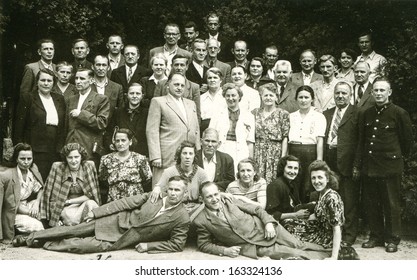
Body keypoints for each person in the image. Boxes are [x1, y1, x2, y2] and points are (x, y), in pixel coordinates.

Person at [13, 176, 190, 255]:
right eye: (171, 189)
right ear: (167, 188)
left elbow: (177, 244)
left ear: (185, 192)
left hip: (121, 239)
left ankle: (42, 242)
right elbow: (122, 203)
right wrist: (96, 212)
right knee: (72, 231)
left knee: (78, 246)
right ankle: (29, 237)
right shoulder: (153, 196)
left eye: (178, 190)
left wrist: (149, 246)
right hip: (112, 222)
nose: (173, 193)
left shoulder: (182, 217)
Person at [194, 181, 329, 259]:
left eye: (216, 194)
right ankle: (329, 261)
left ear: (220, 193)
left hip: (265, 228)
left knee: (298, 244)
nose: (215, 199)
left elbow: (257, 210)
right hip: (254, 246)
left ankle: (334, 252)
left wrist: (268, 223)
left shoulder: (229, 200)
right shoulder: (201, 220)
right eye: (209, 196)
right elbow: (203, 244)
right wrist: (224, 251)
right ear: (203, 199)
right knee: (296, 253)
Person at [354, 77, 413, 253]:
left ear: (389, 92)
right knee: (371, 203)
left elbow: (407, 142)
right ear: (371, 93)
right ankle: (376, 236)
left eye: (382, 90)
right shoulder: (367, 113)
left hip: (390, 166)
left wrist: (396, 158)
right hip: (371, 166)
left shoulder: (399, 113)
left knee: (391, 203)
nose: (379, 93)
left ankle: (392, 239)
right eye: (376, 90)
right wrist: (360, 164)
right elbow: (362, 141)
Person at [283, 160, 344, 260]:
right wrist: (297, 218)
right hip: (318, 229)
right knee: (288, 223)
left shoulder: (332, 198)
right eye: (313, 178)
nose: (316, 181)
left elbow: (337, 228)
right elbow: (318, 215)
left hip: (327, 239)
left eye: (320, 177)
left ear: (327, 179)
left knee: (289, 231)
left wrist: (334, 257)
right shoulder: (321, 193)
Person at [147, 74, 201, 186]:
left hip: (187, 155)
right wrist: (155, 156)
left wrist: (198, 152)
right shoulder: (158, 102)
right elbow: (152, 130)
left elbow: (196, 129)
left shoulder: (191, 104)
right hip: (167, 154)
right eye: (176, 84)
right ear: (168, 85)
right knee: (162, 187)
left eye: (182, 85)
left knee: (185, 188)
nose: (179, 87)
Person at [323, 81, 359, 246]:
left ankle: (349, 235)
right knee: (331, 196)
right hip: (329, 158)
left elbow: (361, 142)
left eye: (344, 93)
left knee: (349, 199)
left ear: (350, 95)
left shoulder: (357, 113)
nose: (340, 96)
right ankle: (332, 232)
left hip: (347, 161)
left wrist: (357, 164)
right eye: (337, 93)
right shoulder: (327, 113)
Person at [14, 68, 66, 180]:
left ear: (54, 83)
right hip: (36, 147)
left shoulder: (59, 99)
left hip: (55, 147)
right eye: (43, 80)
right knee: (38, 179)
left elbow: (63, 125)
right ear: (37, 82)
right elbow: (19, 124)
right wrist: (20, 148)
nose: (46, 83)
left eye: (49, 81)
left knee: (54, 179)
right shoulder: (28, 98)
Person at [40, 143, 101, 227]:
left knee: (92, 204)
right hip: (65, 207)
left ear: (81, 157)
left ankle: (86, 228)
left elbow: (90, 195)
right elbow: (52, 197)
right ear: (65, 158)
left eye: (76, 157)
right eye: (70, 157)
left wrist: (69, 201)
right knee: (71, 219)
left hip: (81, 204)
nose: (73, 161)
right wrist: (56, 218)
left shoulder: (87, 167)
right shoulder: (58, 168)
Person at [288, 85, 326, 202]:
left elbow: (320, 140)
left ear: (312, 99)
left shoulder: (319, 116)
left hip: (310, 152)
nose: (303, 100)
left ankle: (307, 211)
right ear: (296, 99)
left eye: (306, 97)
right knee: (294, 181)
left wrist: (318, 161)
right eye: (300, 97)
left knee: (307, 183)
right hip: (294, 150)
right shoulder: (291, 116)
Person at [149, 141, 208, 217]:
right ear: (180, 155)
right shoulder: (169, 172)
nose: (187, 157)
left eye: (190, 154)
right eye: (184, 153)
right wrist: (157, 188)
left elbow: (209, 190)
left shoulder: (201, 173)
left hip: (195, 209)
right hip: (175, 208)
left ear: (194, 156)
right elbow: (160, 187)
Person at [66, 68, 110, 165]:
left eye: (82, 79)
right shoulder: (71, 99)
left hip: (89, 148)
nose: (78, 81)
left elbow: (101, 123)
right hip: (71, 148)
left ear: (91, 80)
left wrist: (81, 114)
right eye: (76, 78)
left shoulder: (101, 99)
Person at [0, 143, 44, 241]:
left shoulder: (32, 170)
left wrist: (36, 203)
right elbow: (11, 204)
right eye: (22, 159)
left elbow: (40, 189)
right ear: (16, 159)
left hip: (26, 205)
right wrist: (31, 213)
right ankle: (22, 238)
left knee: (46, 213)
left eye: (29, 159)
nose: (26, 162)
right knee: (38, 226)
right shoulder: (7, 175)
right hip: (14, 211)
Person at [209, 83, 255, 173]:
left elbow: (250, 141)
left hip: (241, 151)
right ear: (224, 97)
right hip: (222, 150)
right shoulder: (217, 114)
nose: (230, 98)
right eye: (227, 96)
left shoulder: (249, 116)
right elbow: (211, 135)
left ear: (239, 97)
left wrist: (250, 160)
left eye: (233, 95)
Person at [99, 128, 152, 203]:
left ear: (130, 142)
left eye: (123, 140)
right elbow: (103, 179)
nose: (120, 144)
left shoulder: (140, 159)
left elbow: (147, 179)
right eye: (117, 141)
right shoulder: (106, 159)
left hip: (135, 199)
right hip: (114, 200)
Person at [252, 83, 290, 184]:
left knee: (274, 180)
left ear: (276, 97)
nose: (268, 98)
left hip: (275, 152)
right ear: (261, 97)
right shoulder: (255, 113)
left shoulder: (283, 114)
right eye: (265, 95)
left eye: (271, 95)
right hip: (258, 151)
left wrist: (282, 158)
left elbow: (285, 137)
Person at [106, 83, 149, 157]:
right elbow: (109, 131)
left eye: (138, 93)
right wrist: (110, 143)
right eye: (131, 93)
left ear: (142, 96)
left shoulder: (147, 113)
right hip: (121, 152)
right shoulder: (118, 112)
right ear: (127, 95)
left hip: (141, 153)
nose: (134, 96)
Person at [153, 54, 201, 120]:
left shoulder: (194, 87)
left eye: (182, 65)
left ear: (187, 67)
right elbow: (155, 111)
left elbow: (197, 114)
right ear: (172, 66)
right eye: (176, 65)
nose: (179, 68)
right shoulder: (161, 84)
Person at [266, 155, 310, 222]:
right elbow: (271, 214)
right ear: (282, 168)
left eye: (295, 168)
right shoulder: (275, 185)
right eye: (290, 167)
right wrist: (294, 215)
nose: (292, 172)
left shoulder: (293, 184)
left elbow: (295, 206)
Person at [91, 55, 124, 121]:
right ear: (92, 67)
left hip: (110, 128)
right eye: (98, 65)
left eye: (104, 65)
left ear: (108, 67)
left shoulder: (117, 88)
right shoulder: (87, 86)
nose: (101, 68)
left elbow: (121, 111)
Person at [199, 67, 228, 134]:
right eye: (209, 78)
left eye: (215, 77)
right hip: (205, 131)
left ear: (220, 80)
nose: (212, 80)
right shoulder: (201, 98)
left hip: (223, 131)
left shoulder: (226, 97)